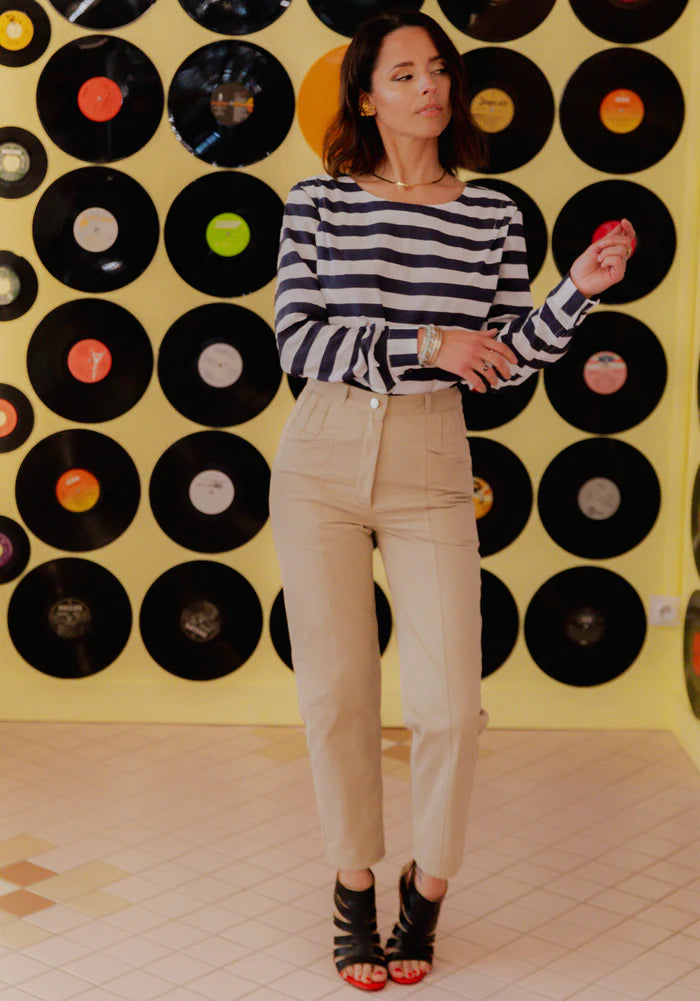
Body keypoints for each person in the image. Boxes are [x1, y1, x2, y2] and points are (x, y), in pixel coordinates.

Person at [269, 8, 635, 992]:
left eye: (437, 69)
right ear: (365, 96)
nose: (429, 86)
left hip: (432, 456)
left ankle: (426, 885)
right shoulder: (317, 202)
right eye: (404, 74)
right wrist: (430, 342)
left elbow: (504, 358)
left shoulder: (492, 214)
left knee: (449, 708)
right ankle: (354, 883)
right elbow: (297, 339)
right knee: (337, 694)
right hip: (321, 450)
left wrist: (578, 289)